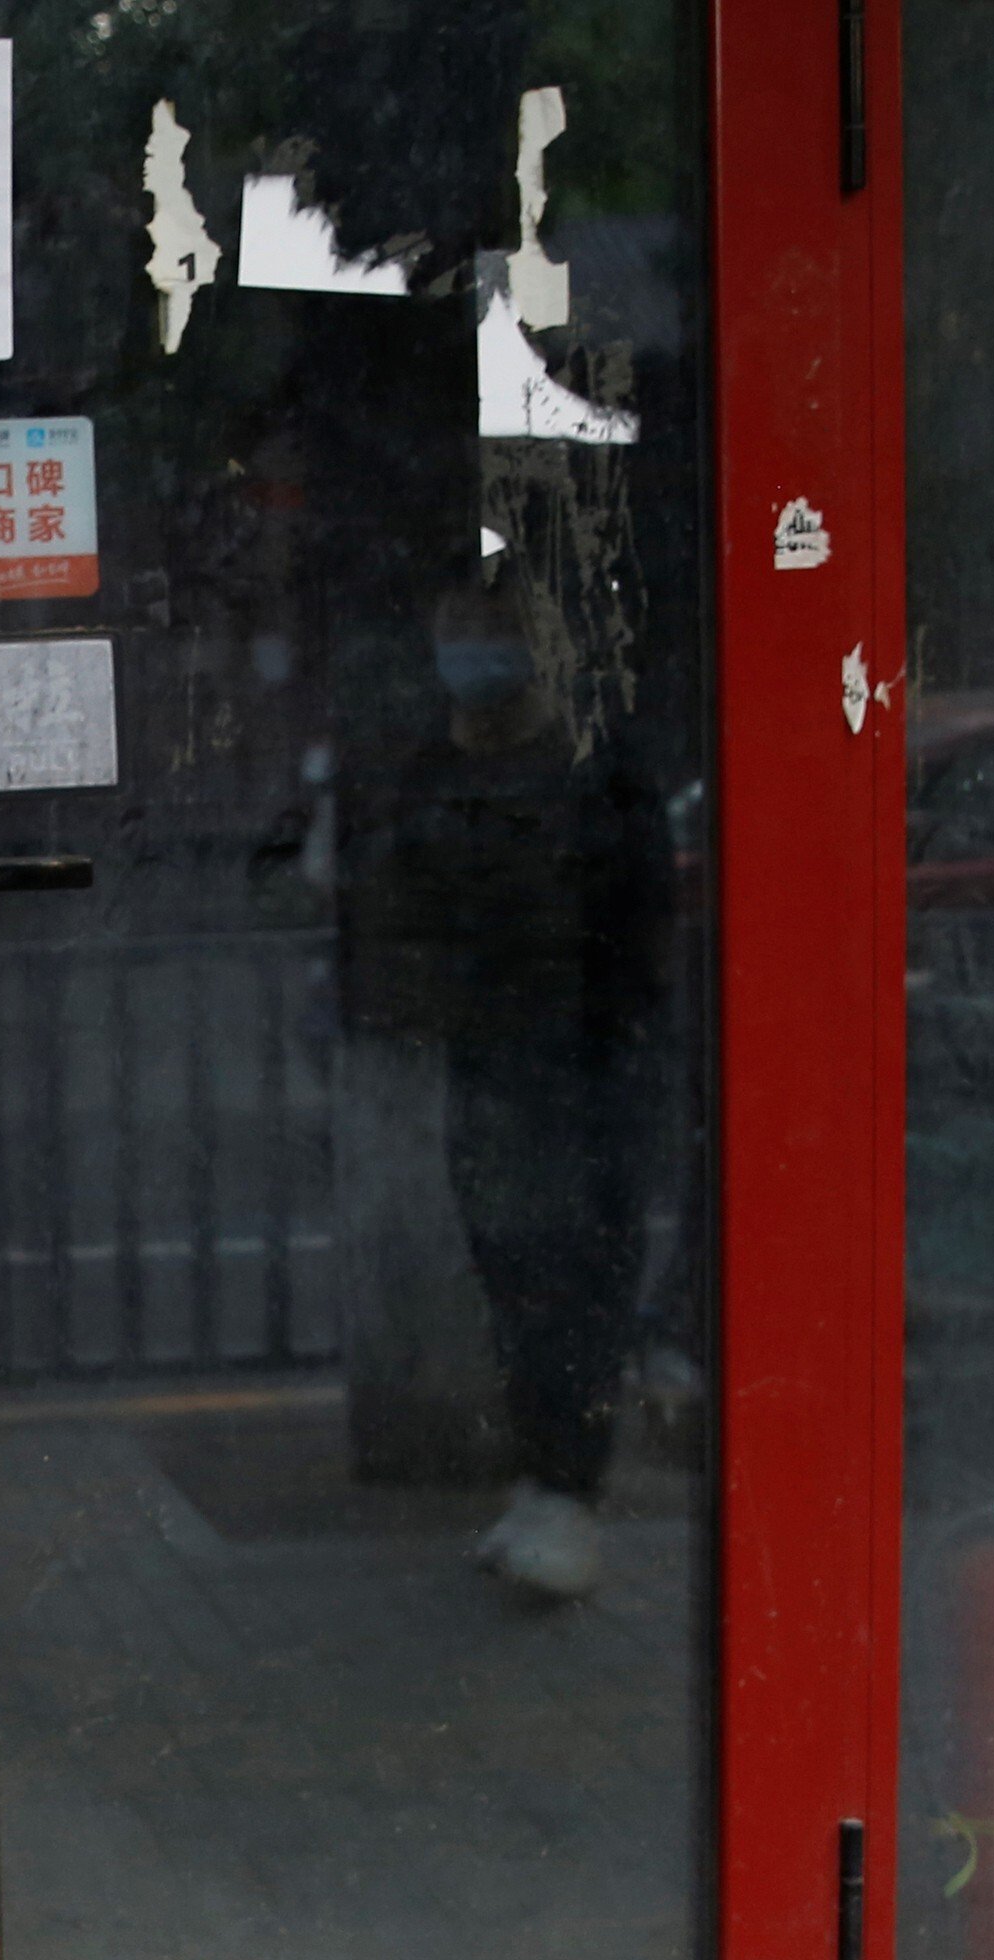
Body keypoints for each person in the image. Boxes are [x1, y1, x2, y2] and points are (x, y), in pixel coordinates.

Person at [340, 580, 674, 1599]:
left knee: (577, 1282)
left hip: (581, 1067)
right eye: (460, 635)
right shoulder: (431, 767)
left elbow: (638, 931)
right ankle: (540, 1484)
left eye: (496, 638)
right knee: (509, 1274)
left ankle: (570, 1491)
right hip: (481, 1065)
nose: (474, 658)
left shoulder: (595, 771)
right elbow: (388, 896)